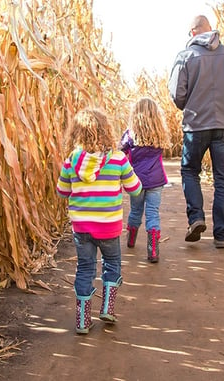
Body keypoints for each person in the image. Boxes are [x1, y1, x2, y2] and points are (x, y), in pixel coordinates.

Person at [56, 108, 142, 335]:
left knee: (85, 268)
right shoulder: (118, 159)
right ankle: (107, 307)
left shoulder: (71, 161)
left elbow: (61, 191)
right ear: (106, 131)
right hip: (108, 226)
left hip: (82, 227)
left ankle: (83, 321)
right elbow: (135, 188)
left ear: (76, 133)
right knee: (112, 264)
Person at [168, 15, 224, 248]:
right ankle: (221, 235)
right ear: (211, 30)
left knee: (190, 170)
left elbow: (177, 95)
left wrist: (188, 104)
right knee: (223, 178)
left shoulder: (185, 57)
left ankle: (196, 218)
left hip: (196, 125)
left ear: (193, 32)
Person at [120, 97, 169, 263]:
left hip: (136, 181)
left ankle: (131, 240)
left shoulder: (129, 135)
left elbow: (121, 150)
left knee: (135, 211)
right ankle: (153, 250)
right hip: (156, 181)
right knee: (152, 213)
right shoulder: (159, 134)